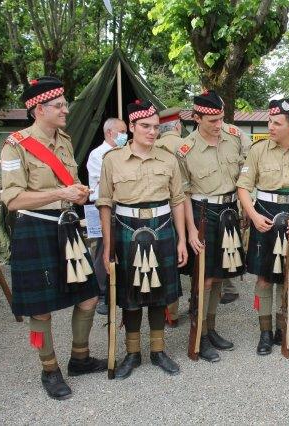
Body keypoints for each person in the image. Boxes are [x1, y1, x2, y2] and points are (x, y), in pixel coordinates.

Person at [1, 76, 104, 400]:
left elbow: (69, 183)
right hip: (35, 229)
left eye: (64, 104)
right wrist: (61, 193)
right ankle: (49, 369)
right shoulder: (15, 145)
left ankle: (80, 359)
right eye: (59, 105)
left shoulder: (65, 140)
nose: (65, 110)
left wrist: (78, 192)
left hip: (67, 226)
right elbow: (13, 199)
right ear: (39, 109)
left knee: (89, 296)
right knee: (41, 308)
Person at [97, 99, 188, 379]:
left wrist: (182, 239)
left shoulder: (169, 159)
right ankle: (132, 353)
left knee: (159, 294)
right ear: (132, 126)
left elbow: (177, 200)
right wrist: (108, 246)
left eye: (156, 127)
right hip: (127, 228)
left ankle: (158, 351)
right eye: (145, 126)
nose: (152, 132)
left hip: (162, 227)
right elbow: (105, 203)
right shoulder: (112, 159)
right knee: (131, 296)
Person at [237, 98, 289, 356]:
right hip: (264, 215)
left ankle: (284, 329)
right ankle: (265, 333)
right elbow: (243, 187)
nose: (270, 127)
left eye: (276, 123)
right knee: (264, 277)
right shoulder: (257, 150)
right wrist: (253, 216)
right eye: (270, 122)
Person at [177, 90, 244, 362]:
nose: (219, 125)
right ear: (196, 118)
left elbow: (248, 170)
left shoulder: (234, 137)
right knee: (203, 276)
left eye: (221, 118)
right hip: (202, 213)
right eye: (212, 121)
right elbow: (182, 194)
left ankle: (211, 327)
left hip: (229, 211)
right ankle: (200, 334)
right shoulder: (185, 149)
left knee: (220, 274)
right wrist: (191, 230)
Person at [87, 117, 128, 315]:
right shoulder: (98, 155)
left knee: (122, 248)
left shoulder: (125, 151)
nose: (125, 135)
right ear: (109, 132)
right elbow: (105, 185)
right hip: (105, 207)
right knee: (104, 248)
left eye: (126, 132)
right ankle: (103, 293)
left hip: (123, 207)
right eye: (122, 132)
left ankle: (120, 288)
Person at [154, 107, 187, 327]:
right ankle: (176, 311)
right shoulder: (186, 145)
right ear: (177, 125)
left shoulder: (152, 146)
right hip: (186, 207)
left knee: (160, 262)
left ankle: (165, 312)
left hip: (161, 212)